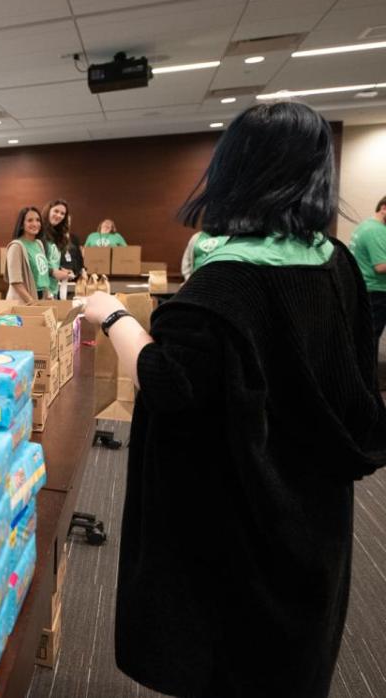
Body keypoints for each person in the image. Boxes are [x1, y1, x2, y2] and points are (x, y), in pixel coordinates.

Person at [81, 102, 385, 698]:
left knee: (227, 660)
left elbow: (168, 381)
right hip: (313, 506)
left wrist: (112, 315)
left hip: (234, 519)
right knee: (290, 659)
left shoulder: (225, 284)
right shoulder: (337, 263)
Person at [350, 195, 386, 353]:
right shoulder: (376, 231)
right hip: (376, 292)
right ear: (384, 208)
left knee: (367, 338)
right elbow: (381, 267)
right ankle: (368, 377)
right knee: (369, 341)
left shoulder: (366, 225)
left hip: (366, 289)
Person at [4, 206, 50, 304]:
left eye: (38, 220)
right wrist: (31, 301)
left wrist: (47, 295)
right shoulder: (16, 247)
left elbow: (42, 274)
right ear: (21, 225)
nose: (35, 224)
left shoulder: (39, 244)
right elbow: (15, 281)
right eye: (30, 220)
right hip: (24, 302)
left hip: (40, 299)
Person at [41, 199, 79, 295]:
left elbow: (51, 261)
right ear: (48, 210)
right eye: (56, 211)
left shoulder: (56, 235)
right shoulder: (40, 233)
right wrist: (53, 272)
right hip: (41, 289)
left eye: (62, 214)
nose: (59, 215)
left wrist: (61, 270)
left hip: (52, 289)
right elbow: (36, 262)